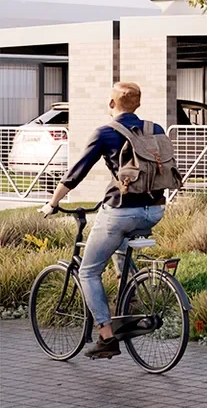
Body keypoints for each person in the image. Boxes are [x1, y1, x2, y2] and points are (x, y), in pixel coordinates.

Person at [39, 82, 170, 360]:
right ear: (138, 103)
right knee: (121, 246)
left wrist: (53, 203)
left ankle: (107, 336)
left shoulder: (105, 132)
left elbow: (76, 173)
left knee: (88, 271)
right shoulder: (155, 129)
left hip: (121, 212)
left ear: (112, 104)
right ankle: (131, 300)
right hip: (155, 210)